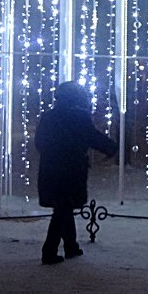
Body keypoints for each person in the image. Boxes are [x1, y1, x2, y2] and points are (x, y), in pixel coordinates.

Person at [36, 81, 118, 265]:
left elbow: (40, 143)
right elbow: (92, 136)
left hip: (51, 170)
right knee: (63, 209)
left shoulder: (49, 117)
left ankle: (70, 246)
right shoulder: (78, 117)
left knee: (64, 207)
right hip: (70, 170)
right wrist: (112, 148)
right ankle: (49, 251)